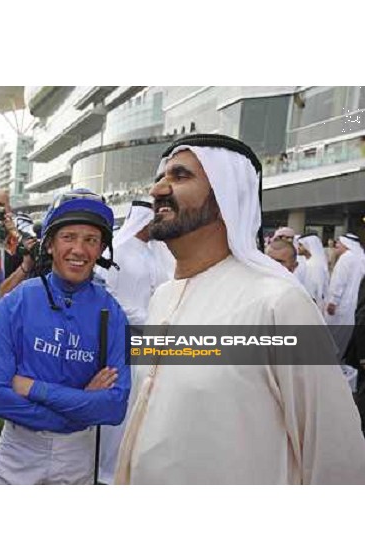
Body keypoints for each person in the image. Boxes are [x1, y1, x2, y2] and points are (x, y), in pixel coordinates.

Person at [115, 134, 365, 485]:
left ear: (225, 196)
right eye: (161, 178)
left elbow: (336, 456)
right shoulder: (163, 298)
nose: (157, 190)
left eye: (180, 176)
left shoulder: (278, 304)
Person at [0, 188, 131, 485]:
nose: (79, 249)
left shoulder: (113, 313)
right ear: (49, 244)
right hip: (19, 452)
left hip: (77, 456)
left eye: (90, 240)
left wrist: (32, 387)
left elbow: (114, 407)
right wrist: (83, 403)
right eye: (69, 237)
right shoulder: (16, 302)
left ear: (101, 249)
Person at [97, 199, 175, 484]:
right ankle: (107, 470)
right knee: (123, 398)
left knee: (147, 398)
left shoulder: (156, 252)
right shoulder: (118, 250)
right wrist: (145, 317)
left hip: (155, 336)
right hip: (126, 335)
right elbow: (109, 296)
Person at [324, 234, 365, 358]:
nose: (336, 245)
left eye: (339, 243)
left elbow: (339, 282)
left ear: (346, 244)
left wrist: (333, 302)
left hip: (341, 305)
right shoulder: (361, 257)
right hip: (355, 304)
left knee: (334, 336)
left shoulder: (346, 258)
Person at [297, 233, 329, 312]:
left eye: (301, 245)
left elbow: (316, 290)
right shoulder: (306, 262)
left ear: (308, 246)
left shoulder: (315, 265)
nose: (298, 247)